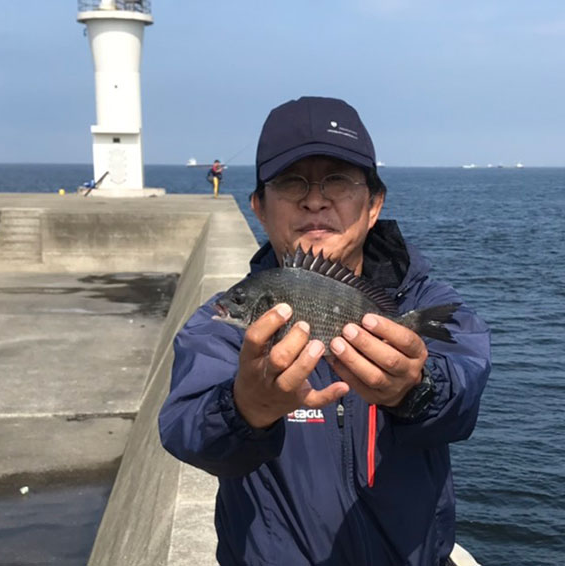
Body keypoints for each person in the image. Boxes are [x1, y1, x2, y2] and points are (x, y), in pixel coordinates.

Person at [159, 96, 491, 566]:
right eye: (291, 182)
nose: (315, 198)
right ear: (259, 207)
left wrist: (417, 388)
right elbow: (183, 431)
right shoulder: (221, 327)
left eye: (338, 180)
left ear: (374, 203)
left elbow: (465, 393)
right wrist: (244, 409)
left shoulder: (423, 304)